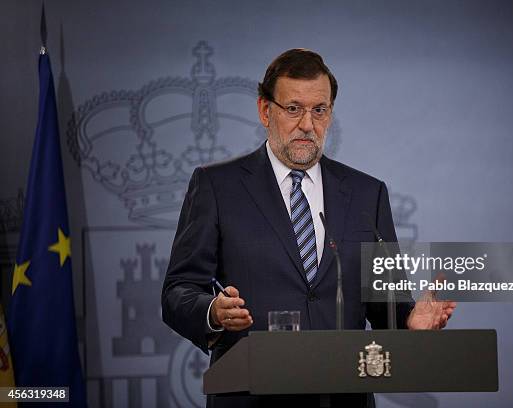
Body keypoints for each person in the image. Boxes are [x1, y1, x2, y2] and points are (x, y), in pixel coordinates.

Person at [162, 48, 456, 408]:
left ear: (330, 113)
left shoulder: (367, 194)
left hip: (343, 398)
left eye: (319, 110)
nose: (307, 123)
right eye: (293, 108)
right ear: (265, 110)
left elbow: (384, 306)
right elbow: (178, 291)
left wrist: (410, 324)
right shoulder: (218, 186)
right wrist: (212, 311)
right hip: (252, 396)